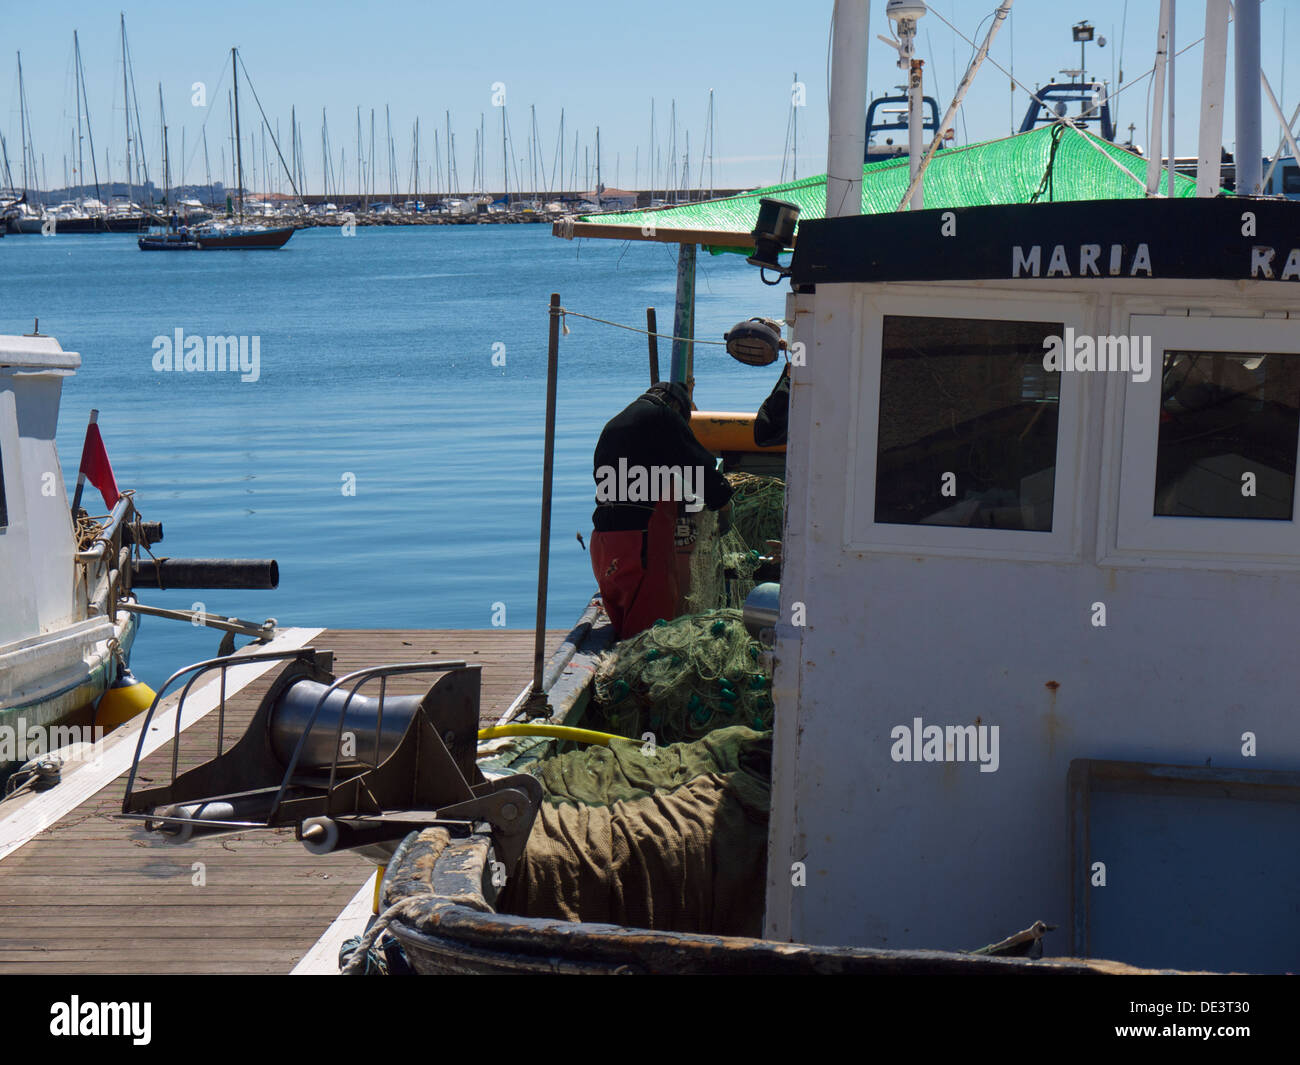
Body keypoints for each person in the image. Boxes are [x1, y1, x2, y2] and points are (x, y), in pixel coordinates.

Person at [590, 380, 733, 639]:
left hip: (604, 547)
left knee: (626, 636)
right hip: (640, 543)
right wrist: (722, 500)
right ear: (676, 407)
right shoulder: (663, 416)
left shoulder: (614, 425)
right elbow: (696, 466)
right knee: (650, 641)